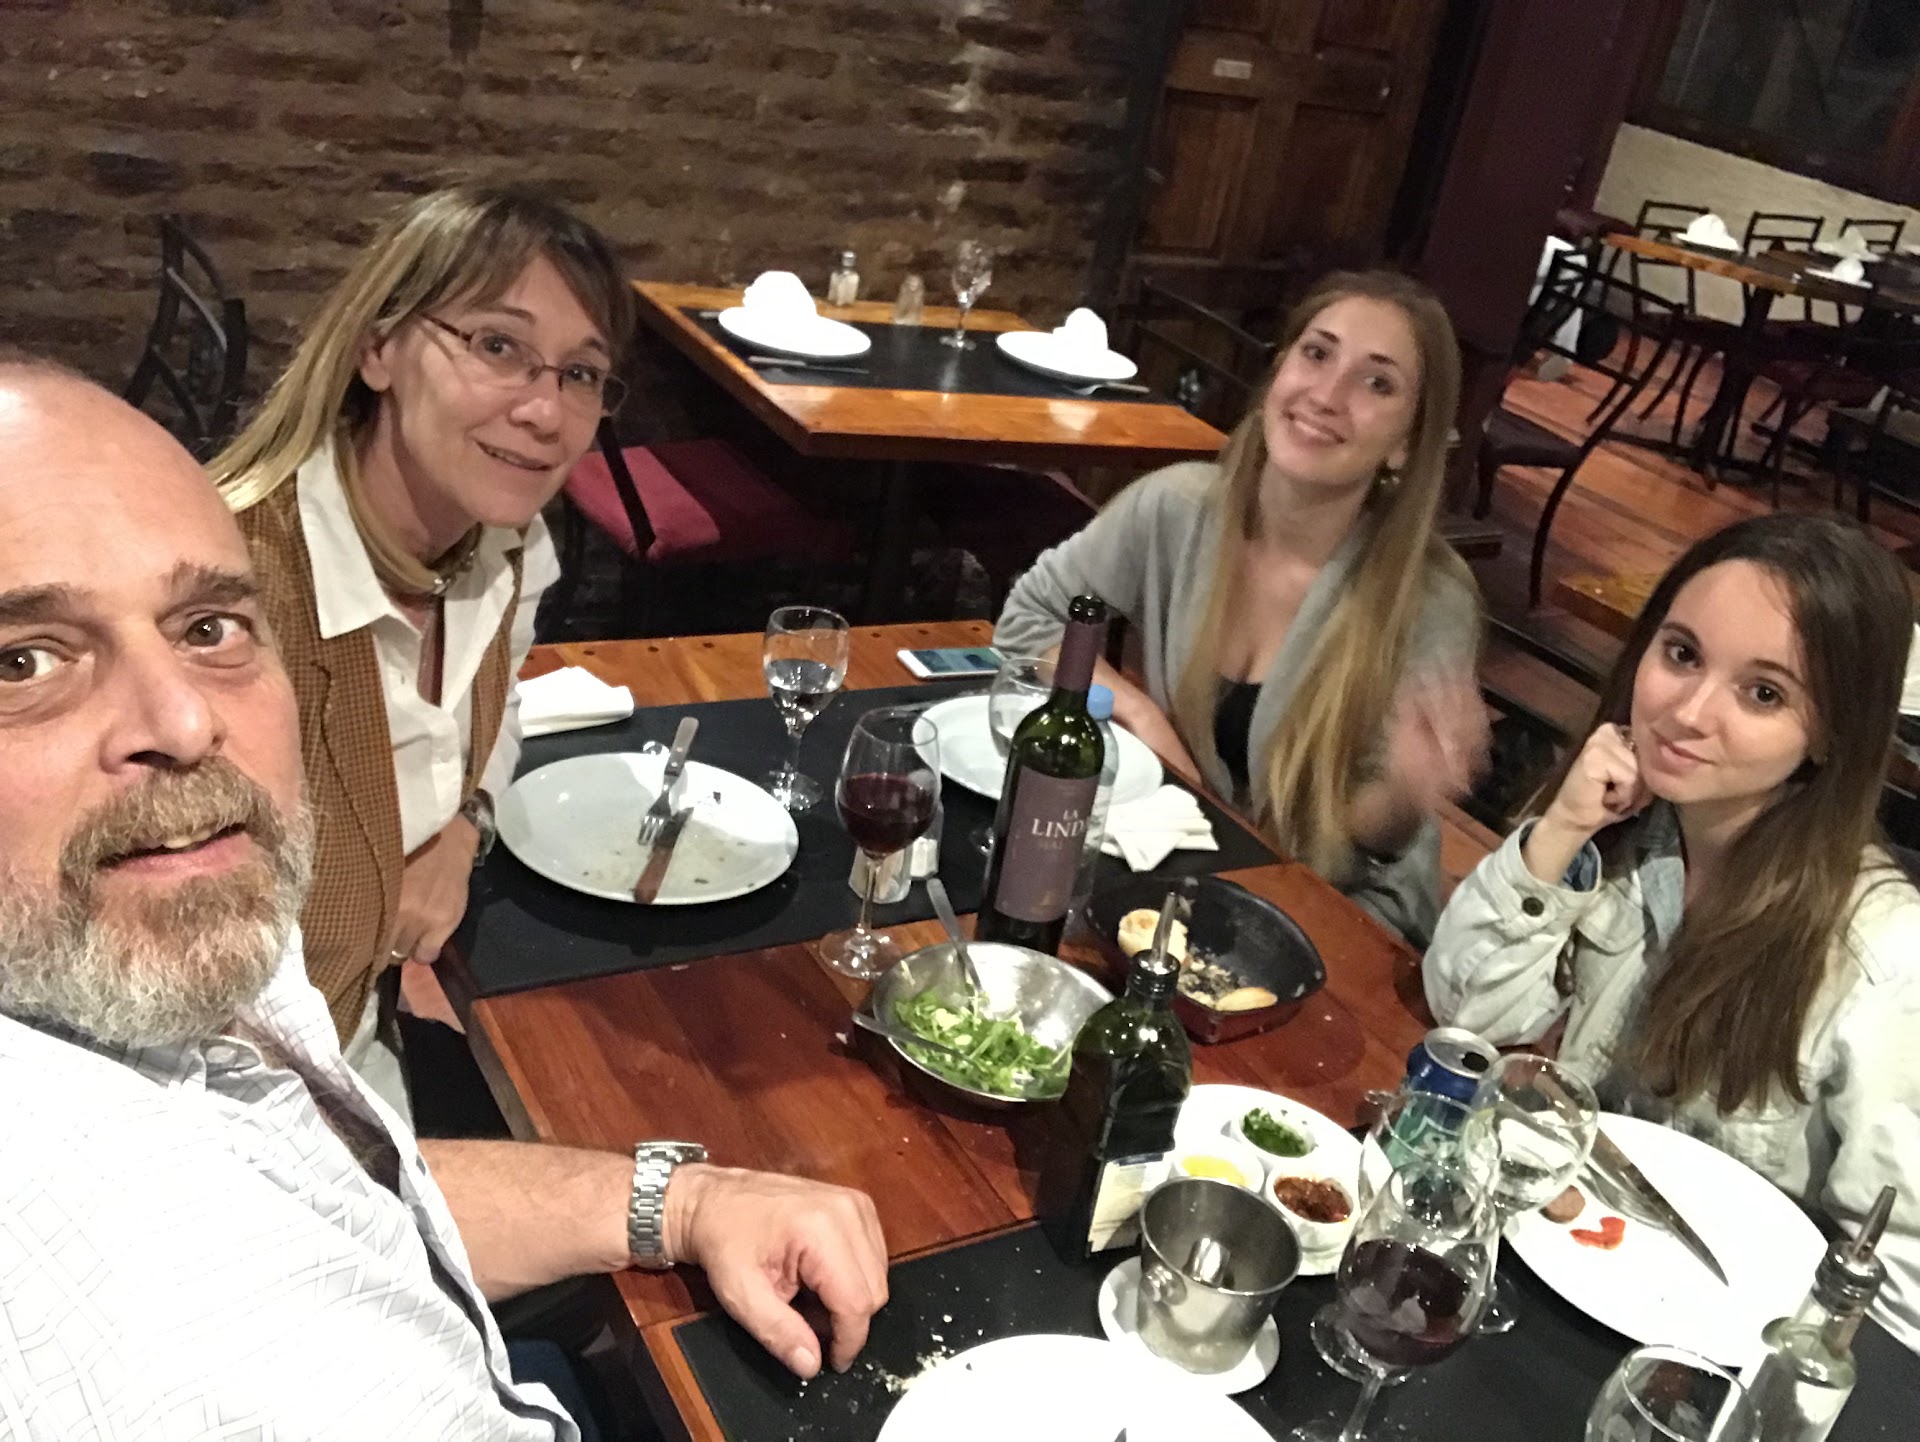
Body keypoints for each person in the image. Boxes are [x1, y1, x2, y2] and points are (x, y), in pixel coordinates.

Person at [0, 357, 889, 1437]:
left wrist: (682, 1199)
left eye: (207, 627)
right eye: (23, 661)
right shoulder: (156, 1328)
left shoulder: (137, 954)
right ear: (381, 346)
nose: (185, 723)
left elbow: (334, 1192)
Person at [1426, 513, 1920, 1352]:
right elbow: (1469, 1018)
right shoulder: (1633, 834)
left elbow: (1900, 1293)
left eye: (1764, 694)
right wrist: (1561, 832)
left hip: (1718, 1351)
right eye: (1683, 654)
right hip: (1563, 1270)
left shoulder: (1884, 960)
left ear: (1831, 733)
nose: (1687, 713)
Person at [208, 185, 629, 1115]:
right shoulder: (228, 598)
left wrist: (466, 822)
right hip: (231, 1105)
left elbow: (500, 705)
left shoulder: (506, 547)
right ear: (379, 349)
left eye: (581, 373)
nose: (547, 413)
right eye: (498, 346)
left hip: (366, 1044)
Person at [995, 270, 1487, 945]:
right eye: (1317, 353)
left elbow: (1345, 856)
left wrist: (1402, 797)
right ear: (1279, 370)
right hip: (1177, 878)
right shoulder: (1176, 507)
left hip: (1335, 921)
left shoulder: (1430, 598)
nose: (1327, 395)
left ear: (1406, 442)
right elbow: (1031, 618)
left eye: (1377, 382)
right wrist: (1139, 714)